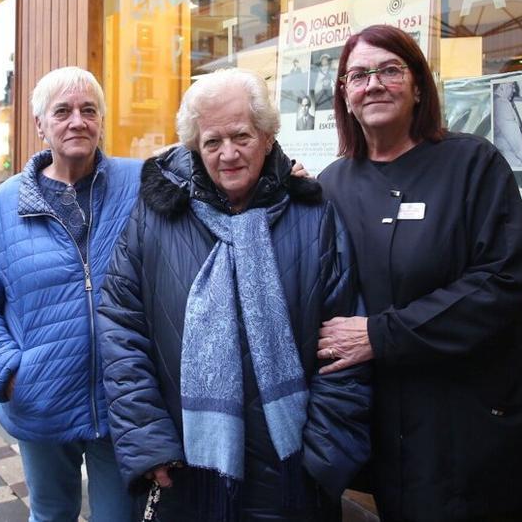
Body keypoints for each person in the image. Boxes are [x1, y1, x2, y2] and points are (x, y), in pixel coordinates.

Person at [98, 68, 371, 520]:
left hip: (291, 476)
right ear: (194, 146)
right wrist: (147, 440)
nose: (228, 154)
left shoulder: (313, 214)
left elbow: (345, 349)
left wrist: (323, 459)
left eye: (241, 136)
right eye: (212, 142)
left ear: (266, 136)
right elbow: (121, 328)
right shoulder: (155, 215)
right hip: (183, 469)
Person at [316, 25, 522, 521]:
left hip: (474, 421)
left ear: (419, 86)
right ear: (344, 94)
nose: (374, 84)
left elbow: (502, 281)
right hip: (389, 428)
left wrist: (380, 335)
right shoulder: (332, 185)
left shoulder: (473, 163)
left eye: (390, 70)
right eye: (359, 75)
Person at [0, 67, 142, 522]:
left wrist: (285, 175)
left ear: (101, 121)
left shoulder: (138, 185)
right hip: (42, 399)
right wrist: (9, 371)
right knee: (52, 514)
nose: (78, 121)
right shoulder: (4, 205)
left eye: (88, 110)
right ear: (41, 125)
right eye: (63, 111)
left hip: (122, 398)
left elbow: (212, 173)